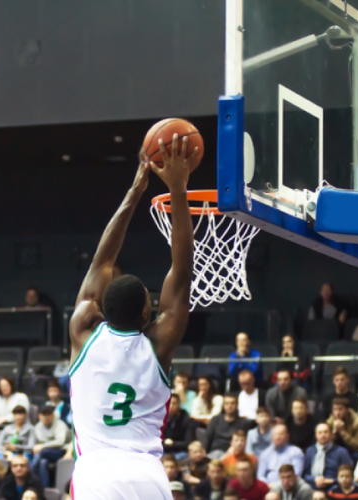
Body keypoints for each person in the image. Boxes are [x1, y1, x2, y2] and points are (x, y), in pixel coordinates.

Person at [65, 142, 196, 499]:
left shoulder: (81, 329)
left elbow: (101, 261)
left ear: (101, 309)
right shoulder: (159, 342)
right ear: (146, 313)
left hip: (96, 472)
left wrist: (135, 191)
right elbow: (182, 271)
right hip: (146, 475)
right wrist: (178, 189)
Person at [304, 423, 354, 492]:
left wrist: (332, 481)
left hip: (334, 486)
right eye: (320, 433)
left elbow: (349, 475)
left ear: (331, 434)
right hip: (313, 485)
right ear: (315, 435)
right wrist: (314, 479)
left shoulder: (341, 452)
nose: (323, 435)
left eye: (325, 432)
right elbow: (305, 474)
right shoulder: (310, 451)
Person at [30, 406, 69, 486]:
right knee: (43, 462)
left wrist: (43, 446)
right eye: (44, 415)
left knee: (41, 453)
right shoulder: (38, 426)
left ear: (53, 415)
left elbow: (60, 442)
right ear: (39, 416)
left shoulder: (60, 424)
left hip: (59, 452)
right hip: (44, 455)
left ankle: (30, 480)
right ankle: (44, 487)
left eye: (48, 414)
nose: (46, 417)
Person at [204, 395, 253, 460]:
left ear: (237, 405)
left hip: (232, 453)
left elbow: (244, 441)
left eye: (232, 403)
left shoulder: (243, 422)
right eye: (227, 403)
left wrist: (234, 448)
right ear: (223, 406)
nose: (229, 406)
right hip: (214, 453)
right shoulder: (215, 420)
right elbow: (207, 438)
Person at [163, 393, 196, 458]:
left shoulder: (187, 420)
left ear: (179, 405)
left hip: (181, 452)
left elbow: (189, 443)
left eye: (174, 403)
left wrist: (173, 444)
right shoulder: (159, 419)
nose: (171, 406)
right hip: (163, 451)